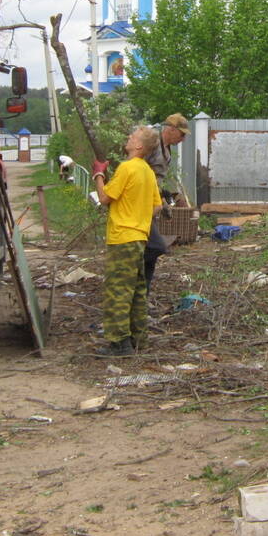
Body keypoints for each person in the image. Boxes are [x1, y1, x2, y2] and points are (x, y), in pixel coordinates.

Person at [92, 126, 162, 357]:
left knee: (118, 291)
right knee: (137, 290)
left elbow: (104, 198)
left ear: (139, 146)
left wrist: (99, 174)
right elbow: (157, 207)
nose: (129, 138)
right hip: (140, 238)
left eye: (133, 137)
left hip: (122, 237)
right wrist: (137, 213)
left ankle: (119, 344)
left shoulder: (127, 167)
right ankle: (138, 338)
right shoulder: (147, 171)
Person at [142, 113, 191, 289]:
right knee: (156, 247)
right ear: (171, 129)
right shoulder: (153, 143)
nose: (183, 139)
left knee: (151, 253)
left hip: (150, 202)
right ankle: (133, 275)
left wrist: (163, 198)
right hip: (140, 203)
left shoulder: (166, 149)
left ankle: (142, 294)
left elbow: (156, 179)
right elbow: (138, 169)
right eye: (182, 134)